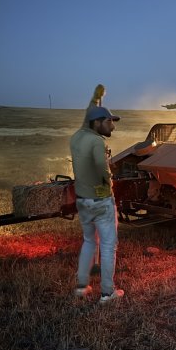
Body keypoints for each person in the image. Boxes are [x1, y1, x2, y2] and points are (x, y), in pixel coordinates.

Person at [70, 86, 123, 304]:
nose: (112, 125)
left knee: (89, 241)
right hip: (100, 201)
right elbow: (103, 168)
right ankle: (107, 293)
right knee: (109, 245)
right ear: (97, 123)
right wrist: (108, 183)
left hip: (82, 200)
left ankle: (82, 287)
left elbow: (88, 113)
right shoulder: (97, 142)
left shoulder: (78, 136)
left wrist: (96, 98)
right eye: (109, 121)